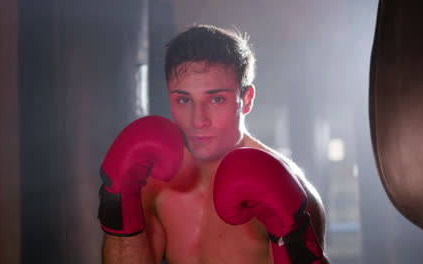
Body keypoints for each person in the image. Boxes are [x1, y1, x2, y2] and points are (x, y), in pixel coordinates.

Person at [98, 25, 329, 264]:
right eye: (184, 99)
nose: (198, 120)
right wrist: (117, 202)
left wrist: (296, 240)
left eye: (216, 99)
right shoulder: (151, 182)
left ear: (246, 100)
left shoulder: (289, 191)